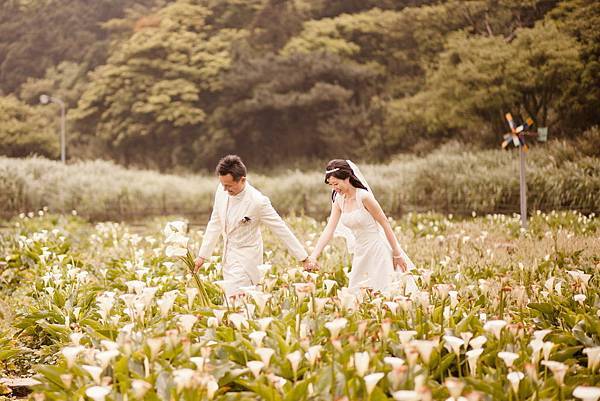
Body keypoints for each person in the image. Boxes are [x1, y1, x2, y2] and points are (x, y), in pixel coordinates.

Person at [194, 155, 314, 298]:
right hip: (228, 258)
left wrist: (304, 258)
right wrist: (202, 256)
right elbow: (215, 223)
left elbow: (280, 229)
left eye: (229, 186)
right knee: (241, 306)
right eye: (223, 185)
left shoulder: (258, 202)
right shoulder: (221, 190)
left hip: (247, 260)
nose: (225, 189)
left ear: (242, 180)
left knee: (238, 303)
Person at [308, 159, 418, 295]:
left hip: (378, 250)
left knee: (386, 293)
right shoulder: (338, 200)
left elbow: (385, 223)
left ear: (347, 177)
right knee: (357, 295)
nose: (334, 188)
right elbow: (329, 229)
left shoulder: (364, 197)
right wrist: (313, 256)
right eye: (331, 185)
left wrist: (397, 253)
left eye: (336, 183)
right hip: (360, 252)